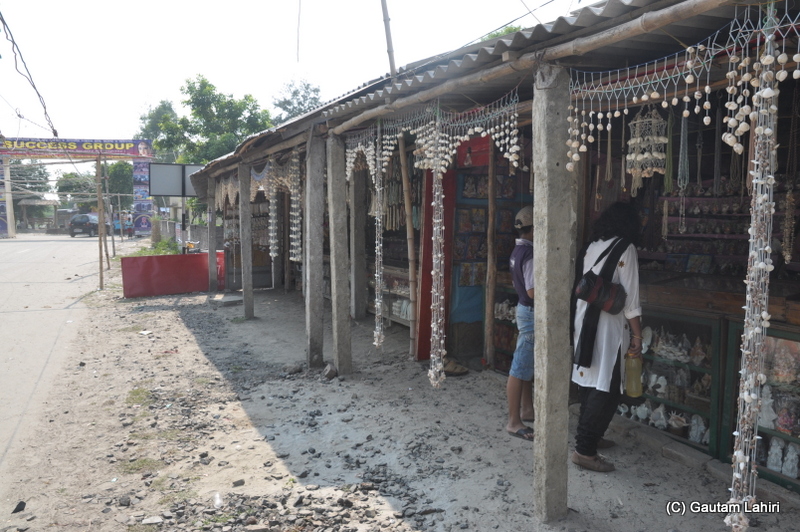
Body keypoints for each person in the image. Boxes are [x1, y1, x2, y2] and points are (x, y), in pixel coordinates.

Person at [571, 202, 643, 471]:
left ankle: (590, 438)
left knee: (591, 381)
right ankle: (584, 450)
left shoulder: (590, 247)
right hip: (608, 328)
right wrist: (637, 337)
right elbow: (631, 301)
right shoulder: (626, 248)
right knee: (608, 386)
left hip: (583, 322)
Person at [506, 205, 535, 440]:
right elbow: (533, 290)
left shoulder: (517, 252)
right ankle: (514, 421)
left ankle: (527, 408)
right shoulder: (530, 255)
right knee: (519, 367)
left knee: (526, 363)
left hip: (523, 309)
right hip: (530, 309)